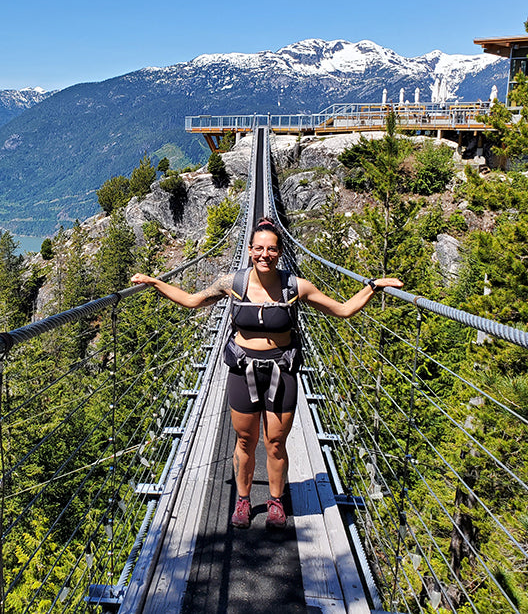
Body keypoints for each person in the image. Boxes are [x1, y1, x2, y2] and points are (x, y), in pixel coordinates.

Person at [130, 217, 402, 529]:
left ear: (280, 252)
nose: (264, 254)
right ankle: (242, 502)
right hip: (242, 371)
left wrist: (373, 286)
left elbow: (342, 310)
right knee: (245, 440)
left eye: (271, 249)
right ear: (249, 251)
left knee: (275, 442)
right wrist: (155, 283)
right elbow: (193, 302)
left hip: (281, 371)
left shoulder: (295, 287)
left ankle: (275, 502)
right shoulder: (234, 283)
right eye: (259, 248)